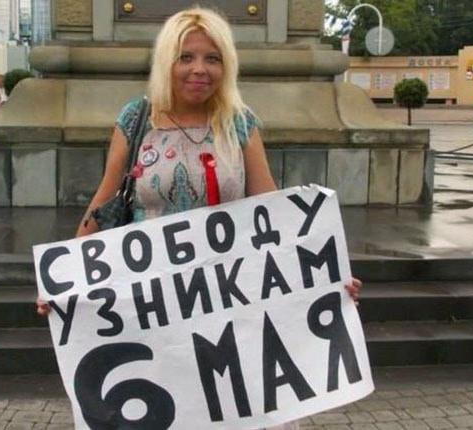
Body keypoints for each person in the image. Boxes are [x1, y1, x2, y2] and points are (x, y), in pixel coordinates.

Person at [36, 7, 363, 427]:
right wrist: (64, 280)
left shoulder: (239, 123)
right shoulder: (136, 119)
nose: (199, 70)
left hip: (226, 302)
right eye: (186, 57)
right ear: (166, 62)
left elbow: (273, 212)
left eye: (213, 58)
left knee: (227, 407)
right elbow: (104, 202)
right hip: (152, 306)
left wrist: (324, 276)